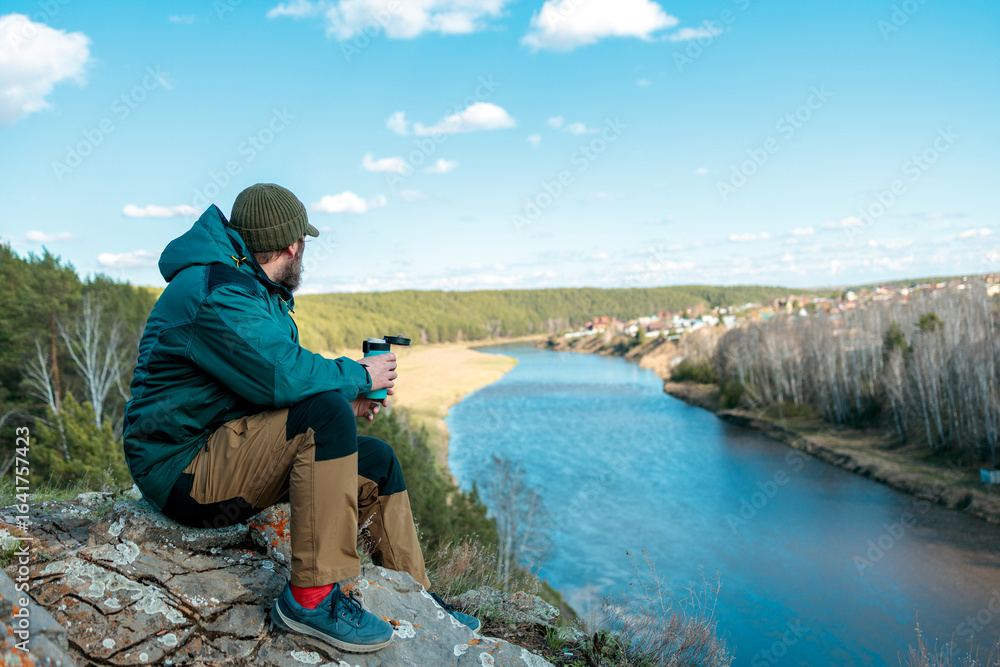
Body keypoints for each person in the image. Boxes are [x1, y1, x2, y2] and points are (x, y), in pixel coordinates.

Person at [122, 183, 478, 653]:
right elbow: (281, 376)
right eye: (304, 244)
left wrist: (343, 401)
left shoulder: (246, 285)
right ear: (292, 245)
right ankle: (309, 601)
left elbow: (259, 383)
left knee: (376, 461)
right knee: (325, 415)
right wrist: (356, 376)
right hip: (181, 471)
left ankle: (415, 598)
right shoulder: (216, 293)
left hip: (223, 444)